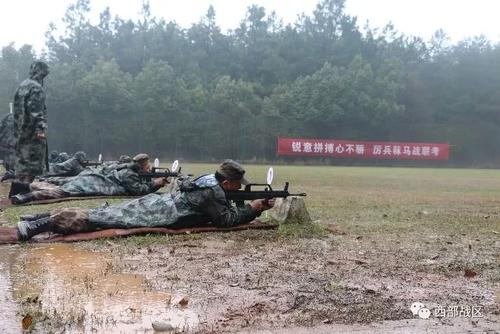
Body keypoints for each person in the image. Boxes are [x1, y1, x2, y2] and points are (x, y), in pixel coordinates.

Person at [16, 159, 275, 241]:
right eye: (236, 185)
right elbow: (225, 221)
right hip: (162, 214)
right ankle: (36, 226)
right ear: (229, 182)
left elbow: (224, 207)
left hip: (159, 203)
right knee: (101, 217)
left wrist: (248, 204)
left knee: (108, 211)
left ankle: (39, 218)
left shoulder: (207, 179)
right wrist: (253, 209)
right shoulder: (213, 191)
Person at [10, 153, 167, 205]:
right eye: (147, 167)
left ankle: (23, 188)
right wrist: (156, 183)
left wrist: (151, 180)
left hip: (92, 179)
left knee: (62, 186)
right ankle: (23, 196)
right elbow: (138, 191)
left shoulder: (127, 169)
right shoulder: (129, 173)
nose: (149, 169)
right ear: (141, 166)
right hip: (95, 184)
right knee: (62, 191)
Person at [12, 61, 50, 186]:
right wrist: (41, 130)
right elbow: (36, 112)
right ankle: (23, 189)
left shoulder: (22, 86)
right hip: (32, 132)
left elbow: (17, 111)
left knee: (22, 160)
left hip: (20, 131)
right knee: (34, 162)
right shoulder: (36, 88)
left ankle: (17, 186)